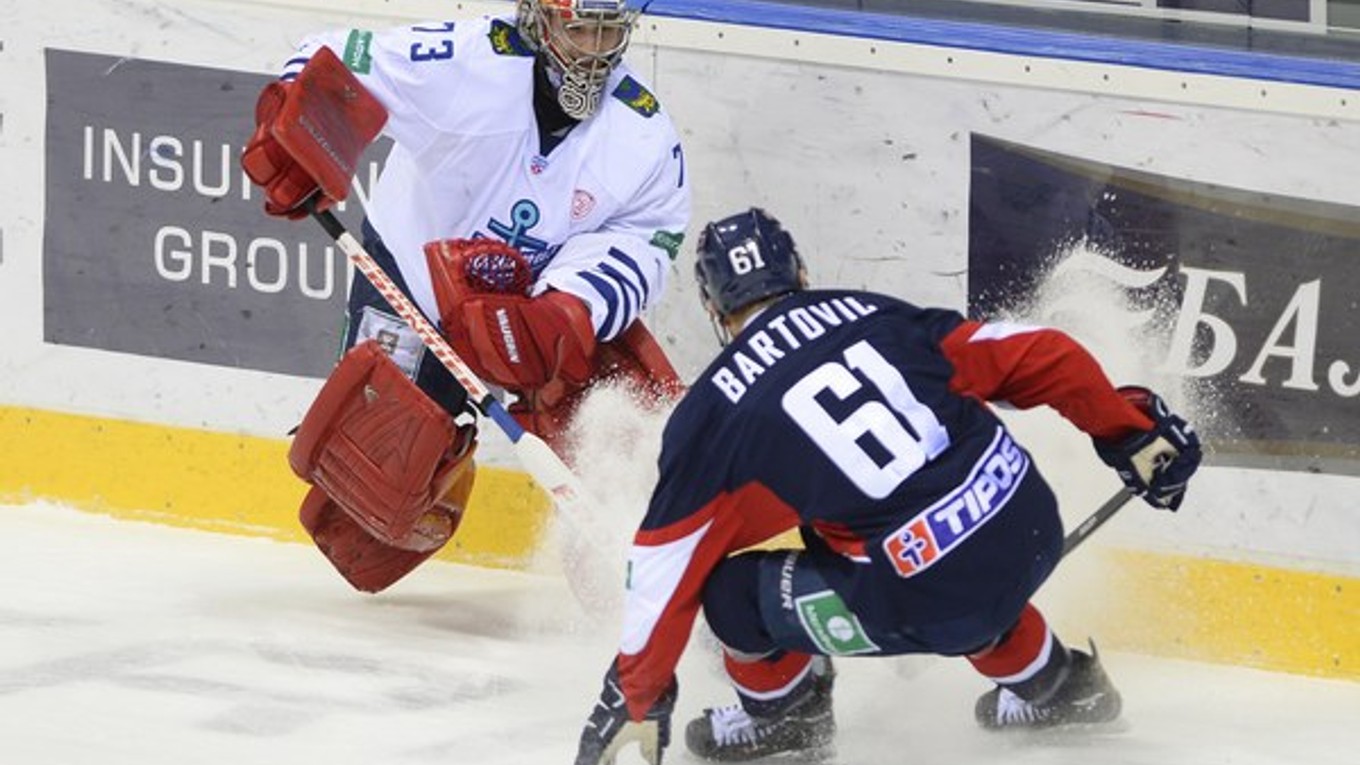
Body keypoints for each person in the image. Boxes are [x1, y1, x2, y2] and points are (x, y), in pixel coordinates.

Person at [572, 208, 1202, 764]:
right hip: (1029, 523)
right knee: (930, 542)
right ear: (801, 277)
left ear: (714, 310)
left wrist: (637, 693)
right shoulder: (871, 312)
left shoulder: (714, 412)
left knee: (730, 595)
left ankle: (787, 719)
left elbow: (668, 562)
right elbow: (1042, 353)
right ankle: (1063, 688)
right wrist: (1129, 430)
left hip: (922, 593)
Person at [241, 1, 689, 593]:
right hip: (413, 283)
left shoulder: (644, 132)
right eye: (580, 27)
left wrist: (571, 308)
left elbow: (650, 235)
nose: (594, 47)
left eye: (609, 30)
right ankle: (442, 458)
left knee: (616, 435)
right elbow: (341, 57)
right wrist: (299, 132)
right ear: (537, 17)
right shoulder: (465, 59)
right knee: (365, 506)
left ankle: (619, 575)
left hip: (531, 315)